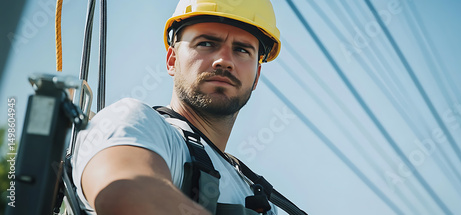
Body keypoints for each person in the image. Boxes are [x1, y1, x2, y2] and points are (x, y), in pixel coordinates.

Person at [71, 0, 299, 214]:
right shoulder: (137, 123)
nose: (224, 60)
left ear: (257, 76)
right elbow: (124, 191)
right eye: (207, 43)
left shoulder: (257, 195)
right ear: (172, 60)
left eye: (241, 50)